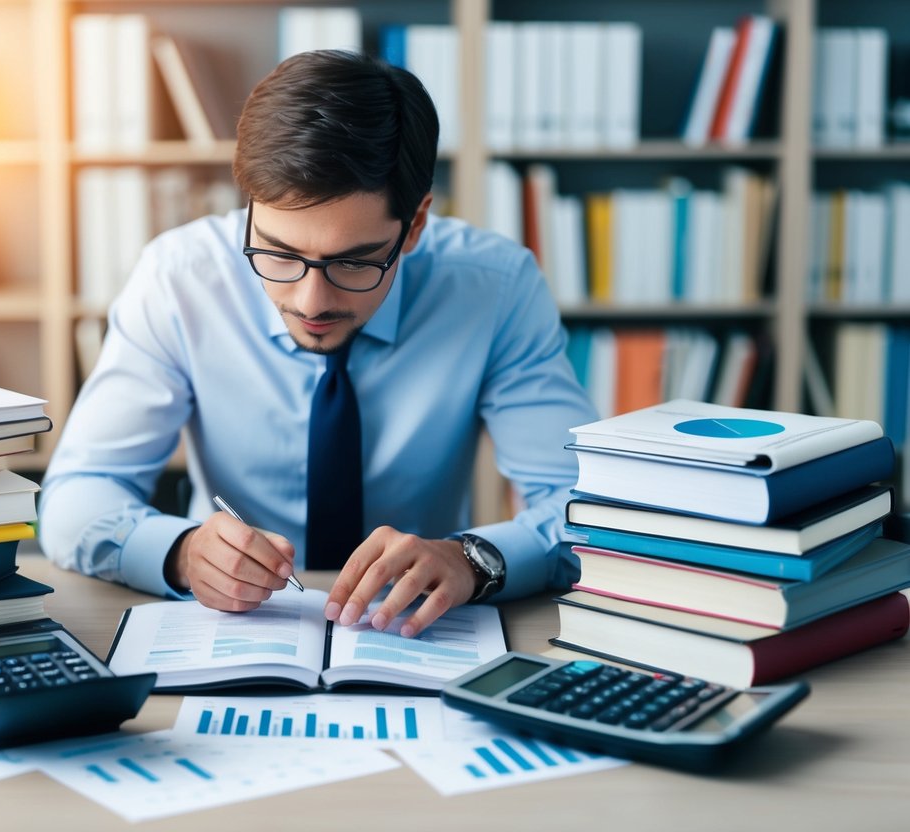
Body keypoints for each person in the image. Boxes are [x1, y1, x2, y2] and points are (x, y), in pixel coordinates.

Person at [39, 49, 598, 637]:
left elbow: (588, 515)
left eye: (355, 262)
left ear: (413, 228)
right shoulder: (180, 278)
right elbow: (75, 498)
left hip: (414, 635)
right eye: (278, 253)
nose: (310, 303)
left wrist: (471, 559)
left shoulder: (496, 288)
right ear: (249, 210)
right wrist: (179, 552)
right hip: (230, 635)